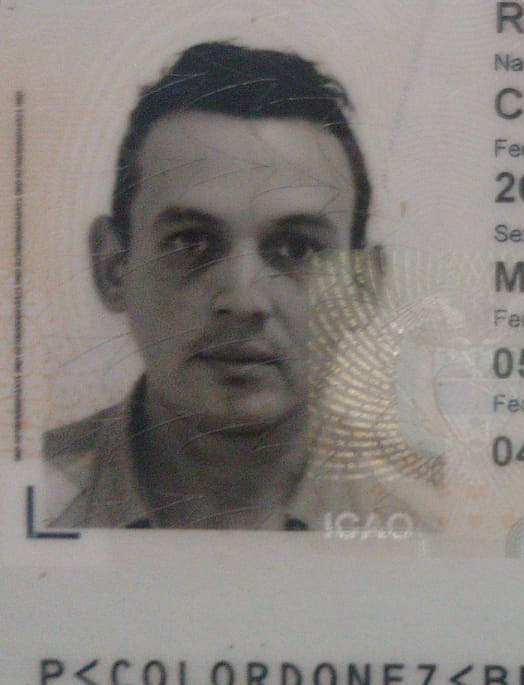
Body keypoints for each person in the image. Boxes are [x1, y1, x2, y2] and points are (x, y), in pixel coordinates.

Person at [43, 42, 420, 530]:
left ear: (363, 289)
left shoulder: (440, 513)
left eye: (297, 248)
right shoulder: (22, 498)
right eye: (191, 242)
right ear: (114, 267)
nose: (243, 300)